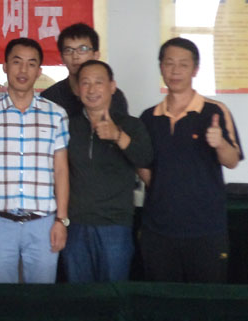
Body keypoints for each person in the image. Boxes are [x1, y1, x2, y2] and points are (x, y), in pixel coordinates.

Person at [139, 37, 242, 283]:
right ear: (161, 67)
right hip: (158, 230)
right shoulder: (148, 117)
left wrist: (220, 143)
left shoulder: (215, 111)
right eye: (169, 63)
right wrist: (164, 189)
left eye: (183, 64)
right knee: (161, 300)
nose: (175, 71)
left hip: (206, 230)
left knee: (206, 300)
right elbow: (141, 163)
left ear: (195, 70)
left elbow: (232, 161)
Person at [0, 37, 69, 283]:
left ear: (39, 71)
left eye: (31, 63)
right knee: (1, 298)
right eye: (17, 62)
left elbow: (61, 170)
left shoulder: (56, 115)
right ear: (5, 67)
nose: (23, 70)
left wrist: (61, 220)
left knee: (41, 298)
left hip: (43, 223)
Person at [63, 60, 152, 283]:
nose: (92, 89)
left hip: (115, 226)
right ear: (78, 89)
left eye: (99, 82)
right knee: (79, 296)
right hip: (76, 226)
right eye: (85, 83)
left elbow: (145, 159)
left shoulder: (131, 125)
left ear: (112, 87)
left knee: (113, 295)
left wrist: (118, 136)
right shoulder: (67, 126)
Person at [41, 23, 128, 117]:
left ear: (96, 55)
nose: (75, 56)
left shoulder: (113, 95)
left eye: (83, 49)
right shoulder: (49, 98)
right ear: (62, 58)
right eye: (68, 50)